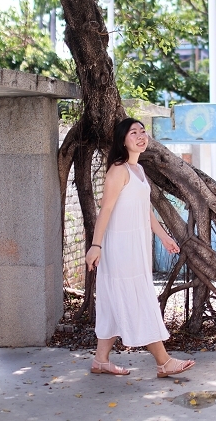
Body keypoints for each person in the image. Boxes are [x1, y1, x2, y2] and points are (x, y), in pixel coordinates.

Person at [85, 117, 196, 378]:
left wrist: (163, 235)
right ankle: (164, 361)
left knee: (115, 300)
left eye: (143, 131)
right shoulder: (118, 170)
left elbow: (144, 210)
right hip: (119, 246)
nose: (140, 135)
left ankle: (101, 360)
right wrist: (96, 245)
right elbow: (106, 210)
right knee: (138, 300)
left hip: (137, 245)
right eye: (133, 132)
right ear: (123, 140)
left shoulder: (139, 171)